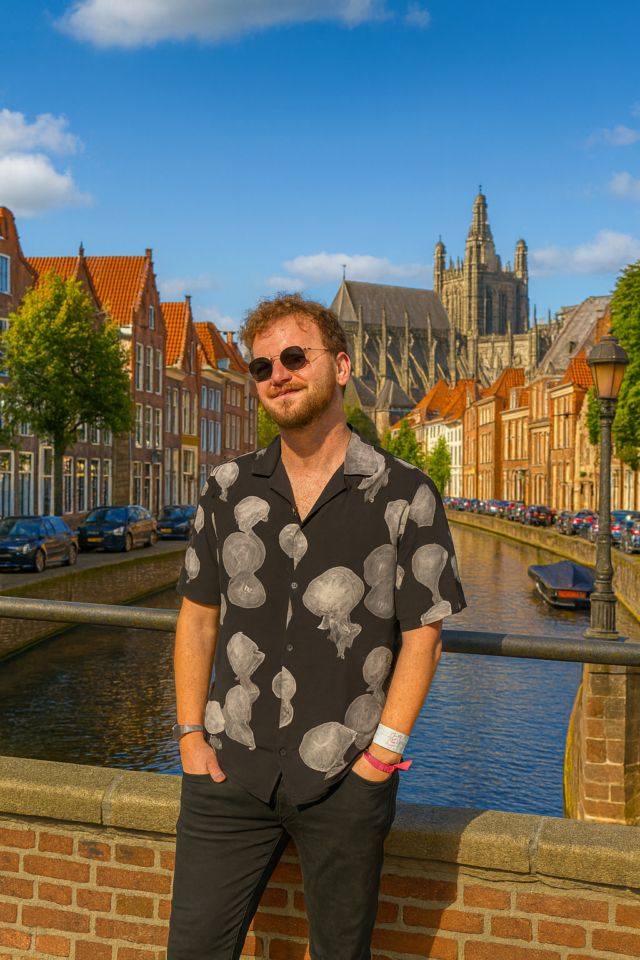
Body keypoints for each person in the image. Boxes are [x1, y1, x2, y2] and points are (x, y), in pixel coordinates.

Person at [167, 293, 466, 960]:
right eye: (262, 365)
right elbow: (196, 617)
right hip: (229, 769)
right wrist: (190, 736)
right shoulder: (225, 489)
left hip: (344, 778)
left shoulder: (405, 492)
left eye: (295, 357)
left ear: (342, 364)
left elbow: (425, 630)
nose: (279, 373)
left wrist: (382, 755)